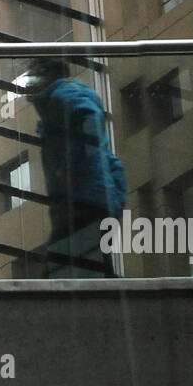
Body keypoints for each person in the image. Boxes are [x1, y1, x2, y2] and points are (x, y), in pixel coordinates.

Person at [23, 58, 125, 277]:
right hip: (93, 197)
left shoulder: (62, 95)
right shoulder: (62, 99)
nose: (28, 84)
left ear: (48, 74)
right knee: (90, 261)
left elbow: (89, 120)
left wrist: (69, 169)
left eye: (32, 76)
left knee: (60, 263)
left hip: (83, 198)